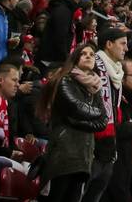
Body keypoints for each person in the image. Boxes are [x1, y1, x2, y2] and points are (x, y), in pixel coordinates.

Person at [39, 44, 109, 202]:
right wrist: (96, 113)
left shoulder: (95, 86)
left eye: (91, 54)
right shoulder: (65, 81)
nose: (89, 56)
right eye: (83, 53)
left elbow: (104, 121)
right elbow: (78, 108)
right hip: (63, 152)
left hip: (84, 156)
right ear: (75, 58)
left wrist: (78, 121)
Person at [83, 28, 130, 202]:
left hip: (108, 148)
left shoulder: (117, 71)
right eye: (122, 44)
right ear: (109, 44)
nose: (126, 48)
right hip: (91, 147)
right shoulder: (93, 65)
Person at [103, 59, 132, 202]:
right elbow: (107, 128)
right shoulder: (115, 100)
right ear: (122, 77)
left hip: (126, 167)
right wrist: (130, 127)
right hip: (114, 167)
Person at [41, 0, 84, 67]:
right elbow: (60, 35)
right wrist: (64, 56)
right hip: (51, 57)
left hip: (52, 56)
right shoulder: (63, 10)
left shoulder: (67, 9)